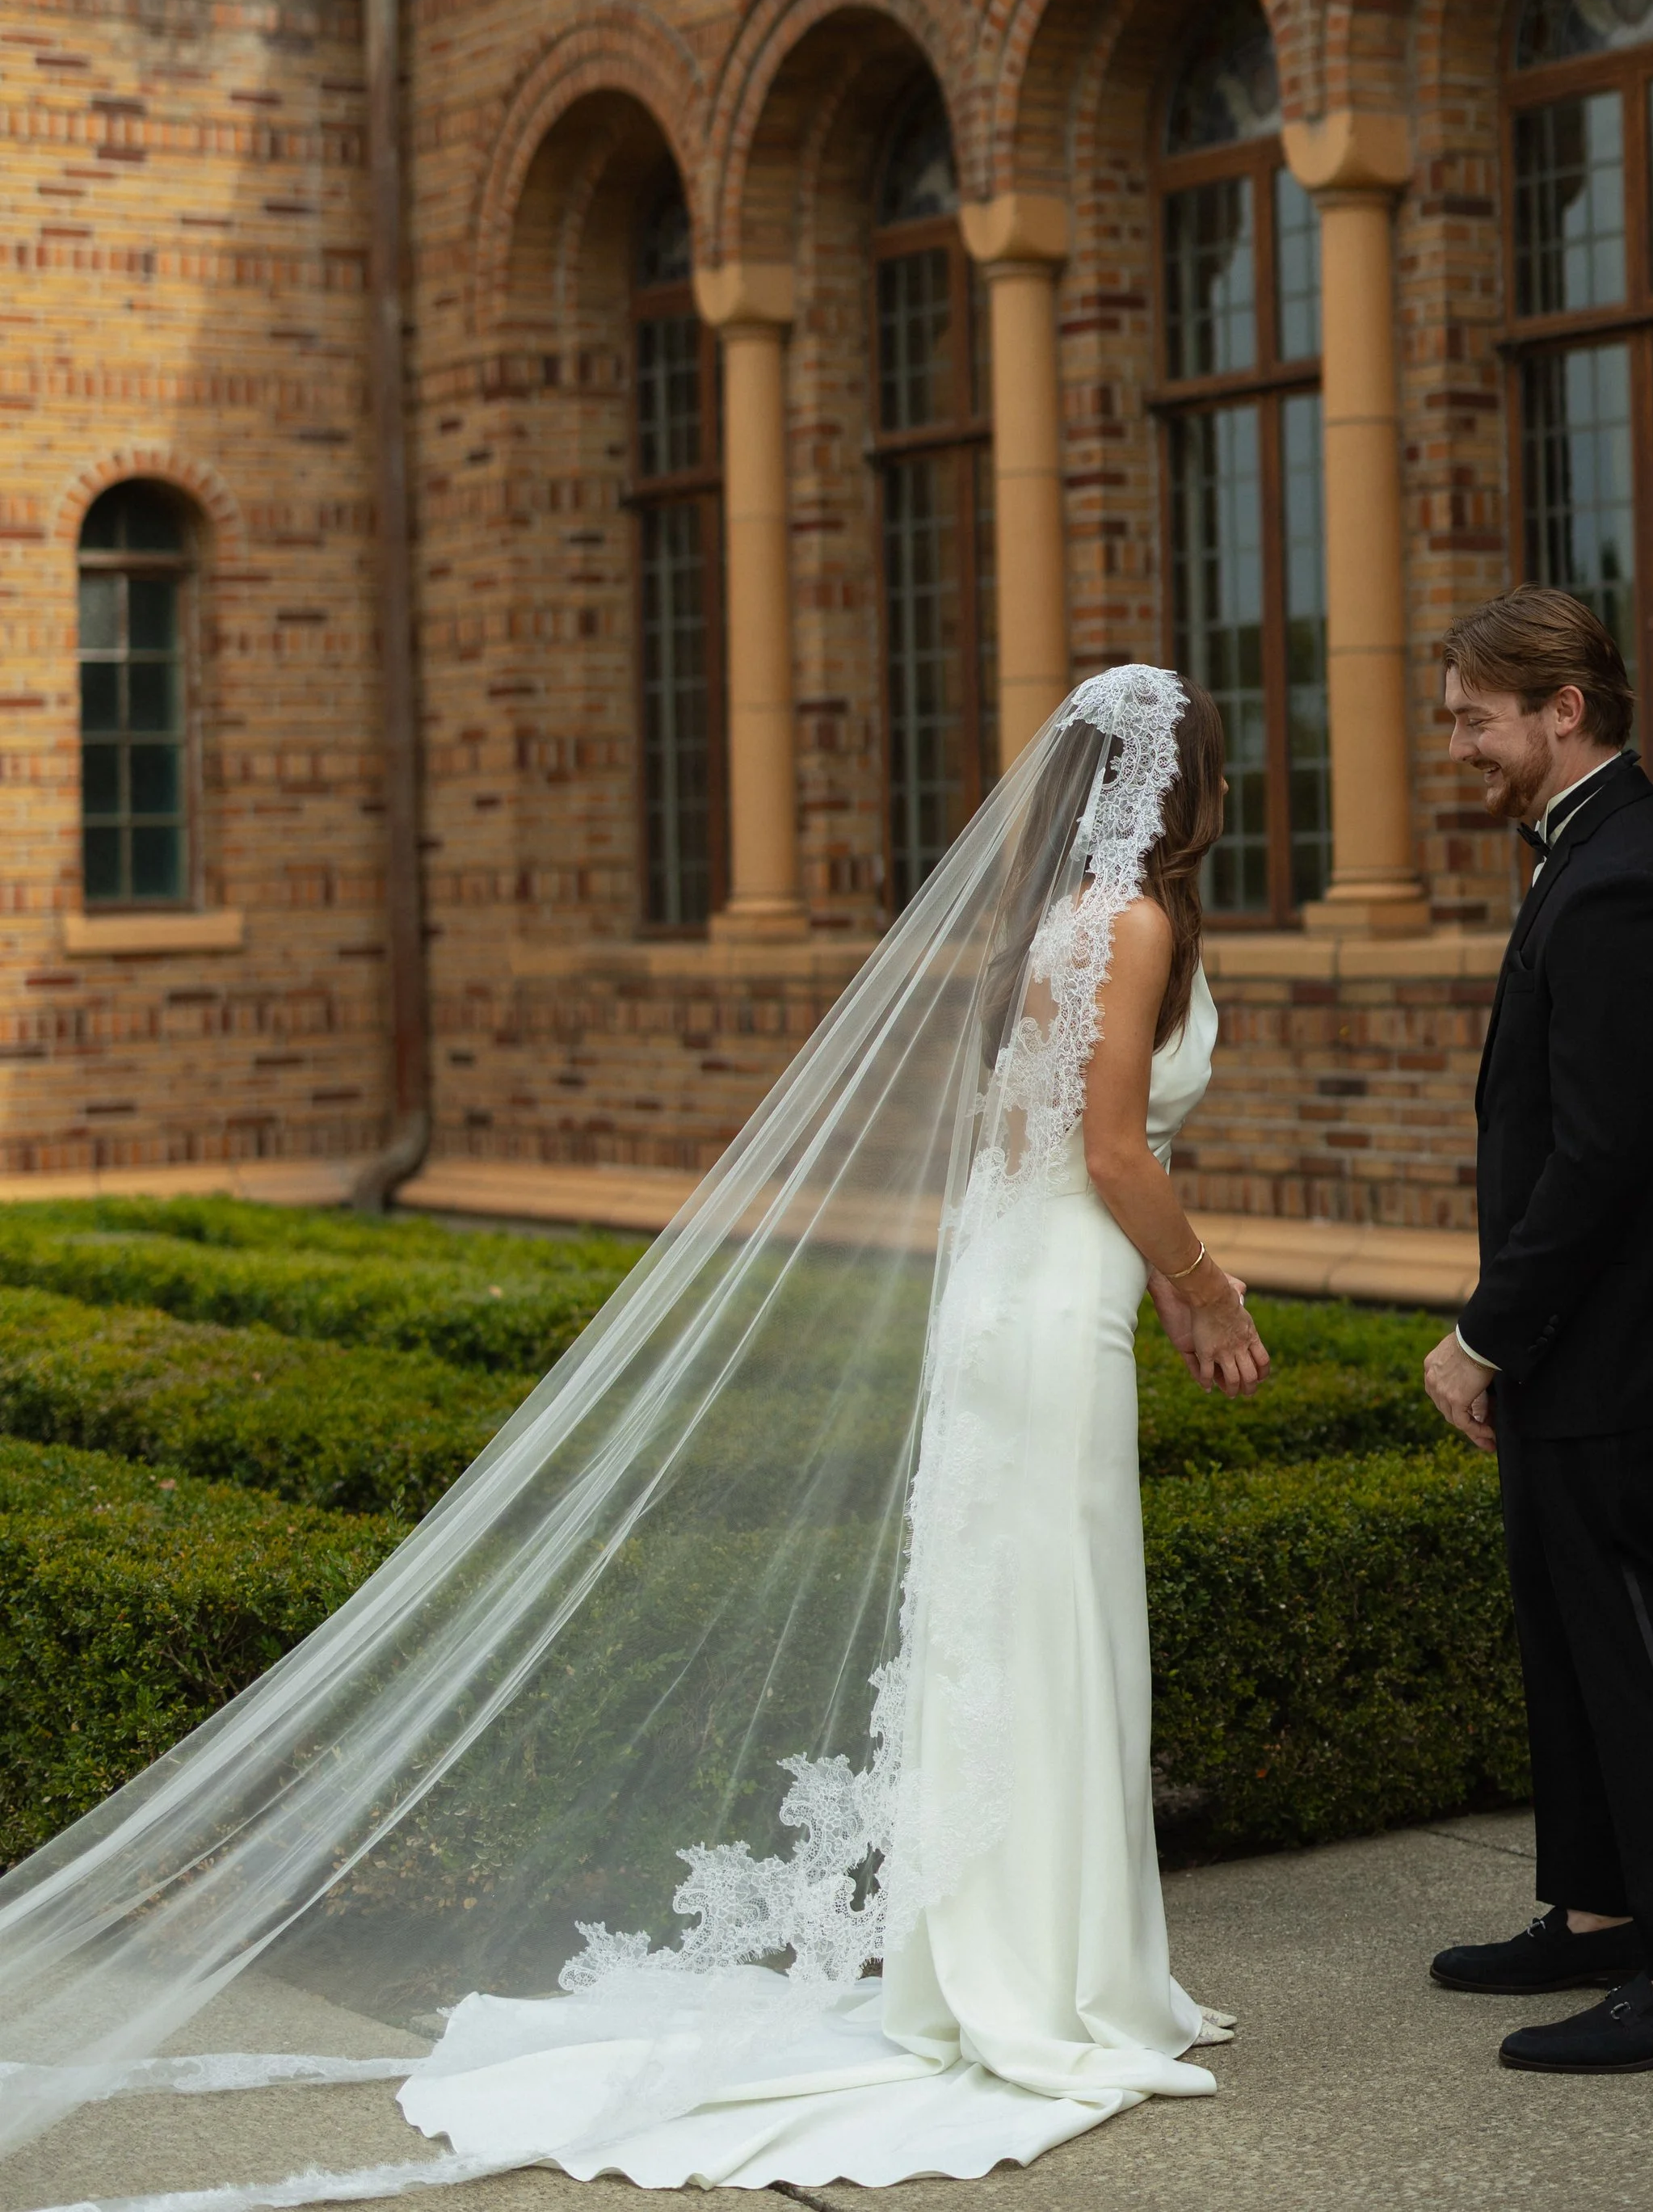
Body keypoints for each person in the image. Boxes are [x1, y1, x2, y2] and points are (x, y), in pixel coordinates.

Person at [0, 667, 1266, 2206]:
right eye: (1216, 769)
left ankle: (1022, 1964)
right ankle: (1053, 1986)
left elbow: (1040, 1145)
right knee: (1048, 1620)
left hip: (1017, 1288)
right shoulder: (1130, 926)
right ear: (1174, 789)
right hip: (1056, 1303)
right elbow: (1114, 1149)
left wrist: (1164, 1272)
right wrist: (1202, 1285)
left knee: (1015, 1625)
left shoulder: (1046, 928)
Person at [1422, 587, 1653, 2075]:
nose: (1458, 745)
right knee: (1567, 1632)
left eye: (1475, 718)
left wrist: (1483, 1334)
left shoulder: (1629, 874)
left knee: (1636, 1647)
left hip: (1619, 1338)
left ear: (1563, 707)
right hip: (1585, 1334)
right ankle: (1595, 1915)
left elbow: (1604, 1152)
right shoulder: (1592, 852)